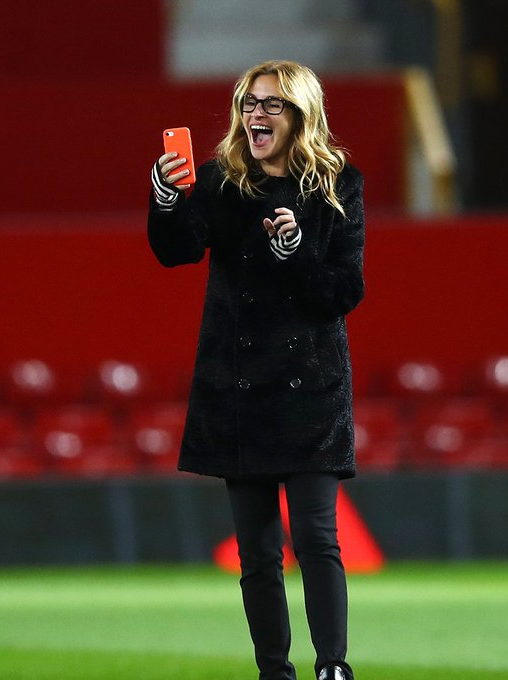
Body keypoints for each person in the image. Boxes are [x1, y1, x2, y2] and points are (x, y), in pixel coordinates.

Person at [147, 60, 365, 680]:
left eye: (271, 105)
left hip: (309, 388)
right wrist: (168, 196)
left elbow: (344, 291)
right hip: (236, 387)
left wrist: (295, 254)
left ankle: (332, 667)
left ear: (301, 115)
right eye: (249, 104)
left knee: (318, 538)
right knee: (258, 554)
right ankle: (275, 671)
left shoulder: (337, 185)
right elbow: (175, 251)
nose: (255, 116)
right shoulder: (220, 183)